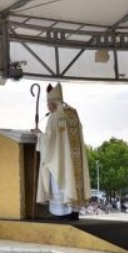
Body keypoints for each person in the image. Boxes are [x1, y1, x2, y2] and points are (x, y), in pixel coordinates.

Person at [34, 83, 91, 221]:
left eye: (48, 103)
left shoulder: (55, 116)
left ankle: (63, 214)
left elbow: (50, 141)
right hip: (73, 159)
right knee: (72, 179)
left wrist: (38, 135)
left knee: (59, 182)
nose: (48, 107)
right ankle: (74, 212)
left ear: (54, 101)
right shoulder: (72, 112)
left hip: (59, 161)